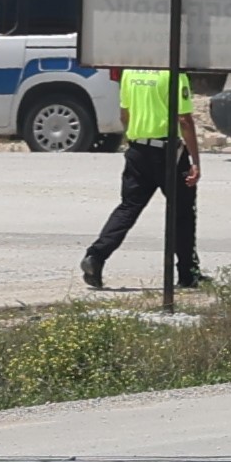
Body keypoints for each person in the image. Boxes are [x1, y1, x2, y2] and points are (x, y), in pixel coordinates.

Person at [81, 60, 208, 291]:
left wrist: (135, 139)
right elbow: (184, 120)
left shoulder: (130, 72)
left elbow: (124, 114)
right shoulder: (174, 75)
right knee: (182, 213)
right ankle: (188, 273)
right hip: (169, 152)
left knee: (128, 207)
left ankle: (96, 256)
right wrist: (195, 161)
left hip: (138, 150)